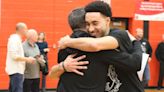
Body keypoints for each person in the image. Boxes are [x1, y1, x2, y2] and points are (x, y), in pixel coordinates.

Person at [57, 2, 143, 92]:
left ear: (107, 21)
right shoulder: (87, 42)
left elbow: (95, 45)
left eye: (95, 23)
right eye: (87, 24)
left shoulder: (119, 34)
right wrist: (63, 66)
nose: (90, 29)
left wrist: (67, 42)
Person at [5, 22, 36, 92]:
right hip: (16, 71)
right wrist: (27, 59)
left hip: (17, 71)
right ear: (21, 29)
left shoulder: (17, 40)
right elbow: (14, 56)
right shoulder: (14, 40)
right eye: (26, 29)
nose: (27, 31)